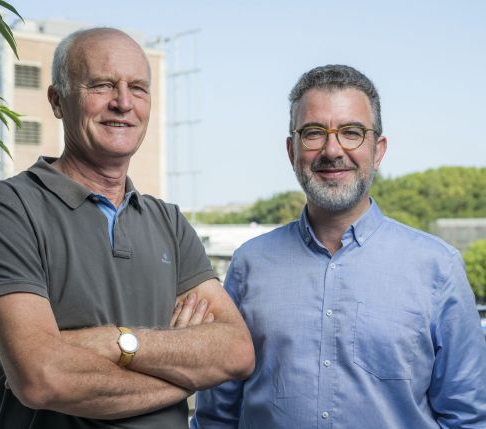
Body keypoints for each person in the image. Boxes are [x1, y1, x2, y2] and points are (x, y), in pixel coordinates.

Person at [0, 28, 254, 429]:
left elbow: (235, 351)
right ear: (57, 100)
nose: (123, 103)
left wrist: (115, 343)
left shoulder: (168, 221)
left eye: (138, 88)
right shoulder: (5, 209)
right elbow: (42, 378)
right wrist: (186, 375)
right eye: (102, 85)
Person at [191, 65, 486, 428]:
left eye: (352, 132)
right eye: (314, 133)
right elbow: (216, 417)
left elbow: (469, 418)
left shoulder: (438, 267)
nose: (333, 150)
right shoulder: (248, 265)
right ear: (291, 150)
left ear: (378, 150)